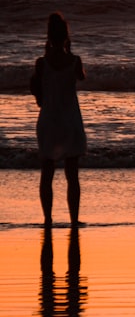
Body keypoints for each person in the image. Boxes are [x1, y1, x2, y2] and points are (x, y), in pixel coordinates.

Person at [33, 12, 87, 226]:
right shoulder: (75, 61)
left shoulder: (41, 63)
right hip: (70, 120)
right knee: (72, 174)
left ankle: (47, 219)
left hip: (49, 119)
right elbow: (81, 77)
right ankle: (74, 219)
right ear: (66, 36)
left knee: (47, 172)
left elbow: (39, 97)